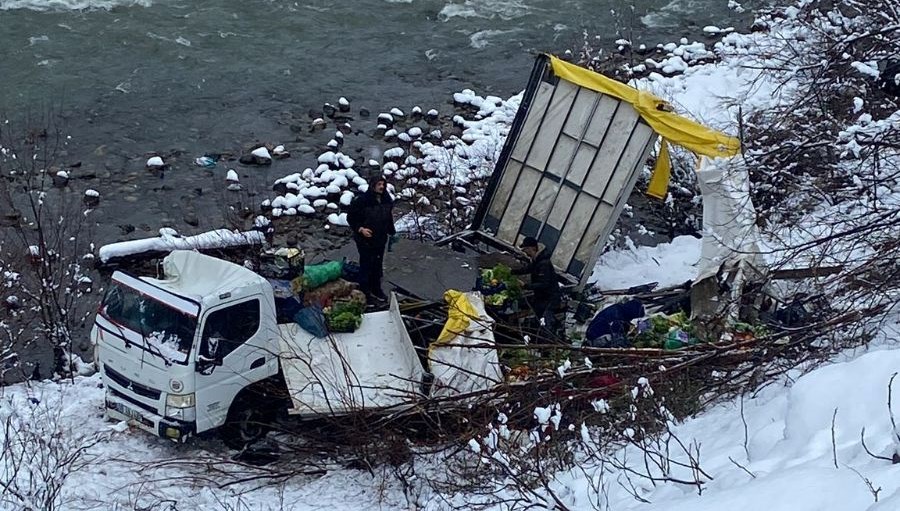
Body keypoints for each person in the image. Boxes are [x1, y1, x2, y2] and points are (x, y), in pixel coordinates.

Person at [346, 175, 396, 303]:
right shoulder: (362, 201)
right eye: (379, 184)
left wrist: (392, 232)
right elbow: (351, 218)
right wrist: (361, 229)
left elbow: (388, 217)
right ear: (373, 185)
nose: (382, 187)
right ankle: (365, 291)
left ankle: (376, 288)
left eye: (383, 184)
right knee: (366, 265)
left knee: (378, 265)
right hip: (365, 240)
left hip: (380, 238)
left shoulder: (386, 199)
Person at [514, 236, 564, 341]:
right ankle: (536, 339)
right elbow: (529, 269)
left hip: (550, 298)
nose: (525, 252)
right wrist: (512, 271)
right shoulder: (538, 260)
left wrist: (525, 286)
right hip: (542, 298)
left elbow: (543, 284)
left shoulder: (544, 264)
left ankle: (547, 343)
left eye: (525, 249)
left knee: (545, 322)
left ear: (532, 248)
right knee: (538, 318)